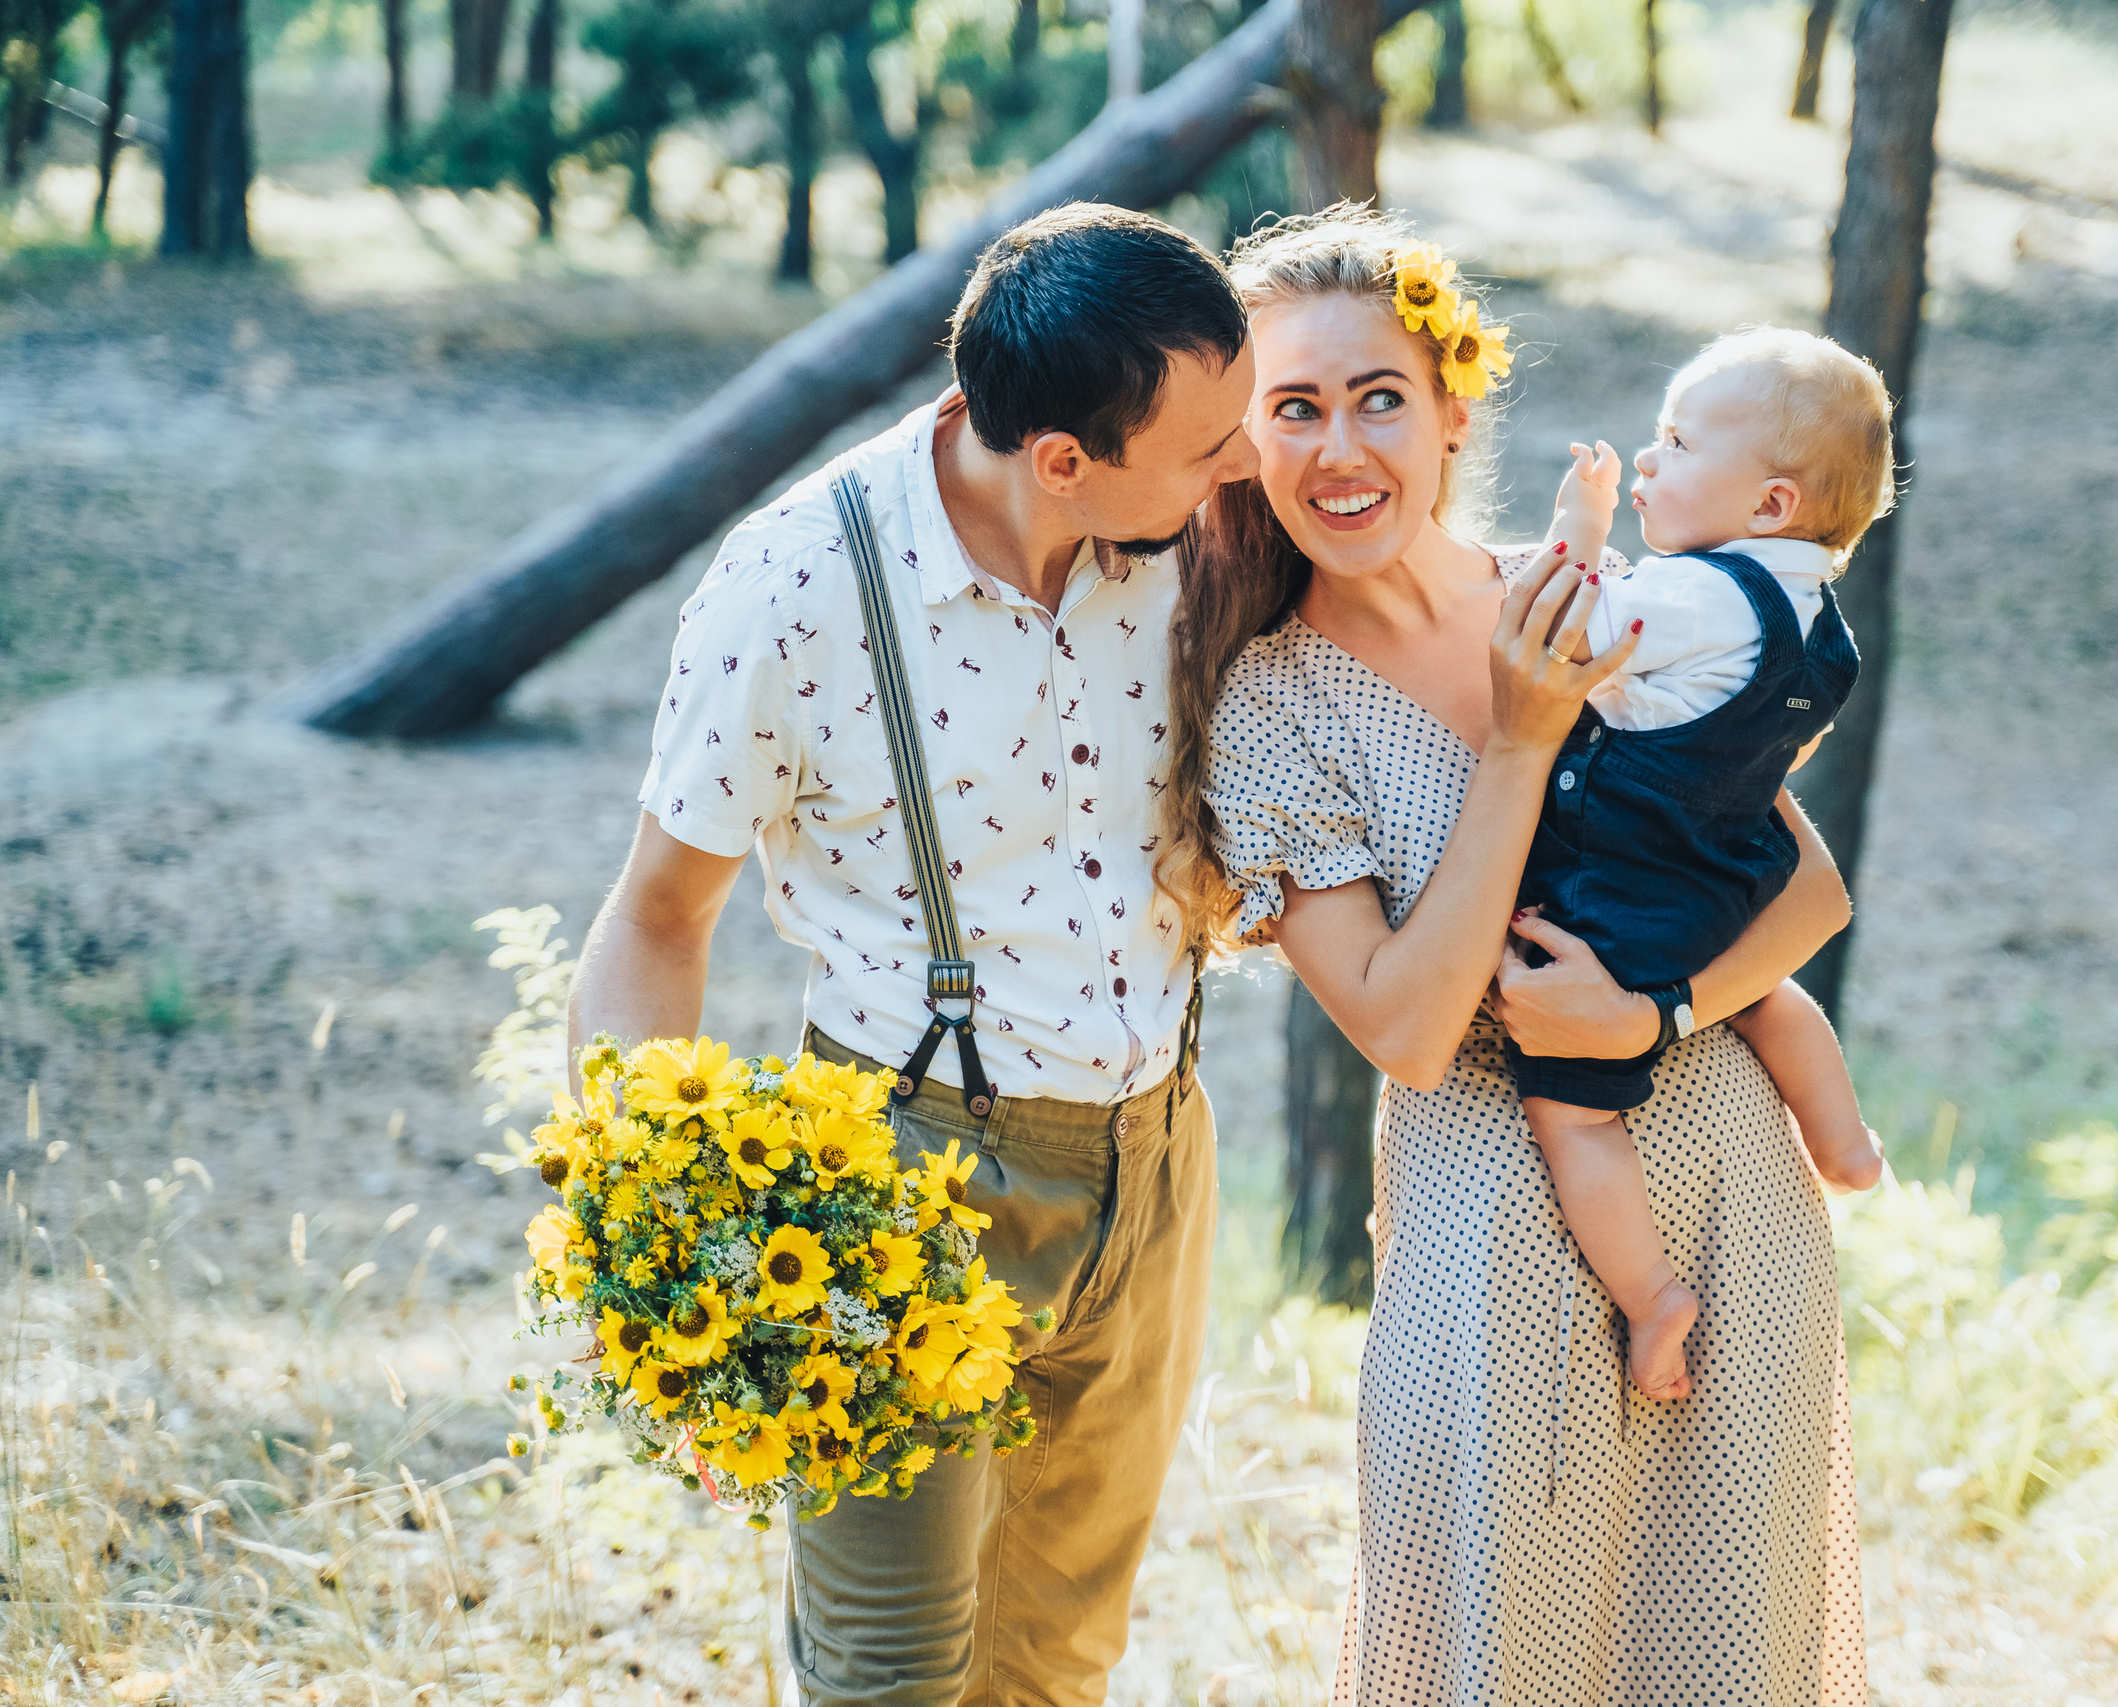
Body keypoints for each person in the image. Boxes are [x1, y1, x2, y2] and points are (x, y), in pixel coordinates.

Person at [1161, 208, 1867, 1705]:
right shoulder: (1270, 704)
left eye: (1377, 397)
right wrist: (1524, 736)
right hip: (1495, 1244)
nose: (1339, 445)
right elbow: (1411, 1029)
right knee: (1505, 1660)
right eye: (1292, 407)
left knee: (1732, 1656)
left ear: (1449, 414)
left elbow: (1803, 887)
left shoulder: (1586, 595)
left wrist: (1653, 1004)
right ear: (1241, 444)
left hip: (1730, 1210)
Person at [565, 203, 1258, 1707]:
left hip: (1158, 1157)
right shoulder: (797, 584)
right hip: (908, 1187)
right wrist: (664, 1264)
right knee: (892, 1677)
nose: (1245, 465)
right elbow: (657, 918)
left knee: (1055, 1658)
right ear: (1062, 459)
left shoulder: (1184, 531)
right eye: (1210, 446)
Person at [1511, 328, 1893, 1401]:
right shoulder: (1826, 632)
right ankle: (1844, 1142)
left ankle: (1650, 1298)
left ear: (1768, 505)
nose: (1644, 461)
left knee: (1572, 1111)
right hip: (1730, 875)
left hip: (1622, 889)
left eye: (1675, 443)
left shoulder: (1693, 598)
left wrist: (1575, 533)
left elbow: (1564, 635)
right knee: (1764, 994)